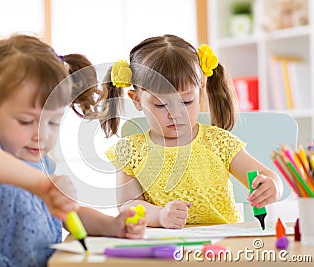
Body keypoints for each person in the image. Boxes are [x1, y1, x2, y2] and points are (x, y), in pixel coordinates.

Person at [0, 34, 146, 267]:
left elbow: (72, 214)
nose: (41, 134)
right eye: (26, 121)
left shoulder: (37, 165)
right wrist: (44, 185)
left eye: (53, 122)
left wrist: (111, 225)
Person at [101, 34, 283, 228]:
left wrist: (272, 186)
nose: (175, 113)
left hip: (224, 243)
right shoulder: (131, 152)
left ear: (200, 89)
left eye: (186, 101)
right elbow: (127, 204)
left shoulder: (219, 142)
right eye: (161, 105)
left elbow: (267, 175)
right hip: (166, 246)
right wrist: (160, 215)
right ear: (136, 100)